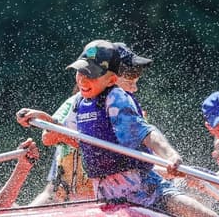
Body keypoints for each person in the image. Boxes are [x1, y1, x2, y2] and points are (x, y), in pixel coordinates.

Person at [17, 40, 219, 217]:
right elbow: (59, 135)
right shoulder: (80, 103)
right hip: (107, 197)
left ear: (111, 79)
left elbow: (147, 132)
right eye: (80, 71)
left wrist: (170, 155)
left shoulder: (117, 99)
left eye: (92, 74)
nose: (83, 79)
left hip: (146, 189)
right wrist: (41, 117)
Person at [31, 41, 154, 206]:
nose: (135, 88)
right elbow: (48, 136)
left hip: (112, 195)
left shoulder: (127, 110)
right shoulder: (77, 104)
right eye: (130, 81)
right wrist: (88, 143)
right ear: (112, 78)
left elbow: (142, 164)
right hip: (76, 198)